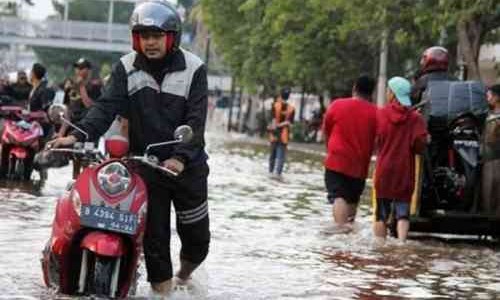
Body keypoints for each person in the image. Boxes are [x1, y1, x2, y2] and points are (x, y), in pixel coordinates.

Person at [49, 0, 210, 295]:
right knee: (155, 242)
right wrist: (77, 136)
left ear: (171, 37)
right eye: (144, 36)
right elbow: (105, 107)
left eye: (156, 36)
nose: (150, 42)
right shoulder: (125, 68)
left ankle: (184, 277)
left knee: (197, 239)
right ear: (136, 38)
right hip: (147, 165)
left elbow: (196, 121)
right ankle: (162, 292)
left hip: (187, 166)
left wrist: (180, 158)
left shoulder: (194, 68)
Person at [373, 77, 428, 242]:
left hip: (384, 170)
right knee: (403, 212)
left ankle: (380, 245)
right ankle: (402, 243)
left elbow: (377, 141)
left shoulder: (381, 114)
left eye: (388, 90)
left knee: (381, 214)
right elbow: (420, 145)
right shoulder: (416, 119)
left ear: (392, 94)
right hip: (405, 171)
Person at [323, 75, 378, 227]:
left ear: (354, 88)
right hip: (360, 165)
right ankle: (348, 231)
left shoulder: (337, 105)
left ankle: (340, 232)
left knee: (338, 196)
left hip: (336, 161)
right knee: (353, 199)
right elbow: (378, 141)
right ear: (372, 92)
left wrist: (329, 150)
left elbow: (326, 131)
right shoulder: (376, 113)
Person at [58, 57, 102, 138]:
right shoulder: (70, 86)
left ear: (89, 70)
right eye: (77, 67)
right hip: (71, 126)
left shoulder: (95, 87)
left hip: (86, 127)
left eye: (81, 68)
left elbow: (90, 106)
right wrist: (61, 133)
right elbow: (67, 111)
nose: (78, 70)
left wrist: (81, 86)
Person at [480, 84, 500, 215]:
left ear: (497, 97)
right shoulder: (489, 114)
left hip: (495, 158)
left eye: (489, 95)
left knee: (493, 187)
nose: (487, 98)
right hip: (488, 157)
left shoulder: (495, 118)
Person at [268, 87, 295, 178]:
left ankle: (271, 174)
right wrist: (285, 123)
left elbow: (273, 122)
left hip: (274, 135)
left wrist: (277, 125)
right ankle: (278, 176)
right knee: (281, 158)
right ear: (289, 97)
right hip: (284, 136)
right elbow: (291, 125)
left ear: (280, 95)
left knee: (272, 157)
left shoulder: (274, 105)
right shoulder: (292, 109)